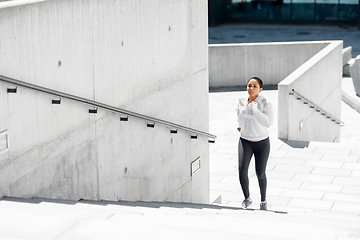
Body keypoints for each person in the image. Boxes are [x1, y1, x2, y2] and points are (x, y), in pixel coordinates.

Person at [236, 77, 274, 210]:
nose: (251, 89)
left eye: (254, 86)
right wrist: (240, 126)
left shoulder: (265, 103)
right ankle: (247, 198)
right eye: (249, 86)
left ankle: (263, 200)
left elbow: (268, 122)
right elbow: (239, 115)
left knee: (260, 173)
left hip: (261, 143)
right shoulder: (241, 100)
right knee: (242, 171)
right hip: (245, 141)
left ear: (260, 89)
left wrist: (256, 111)